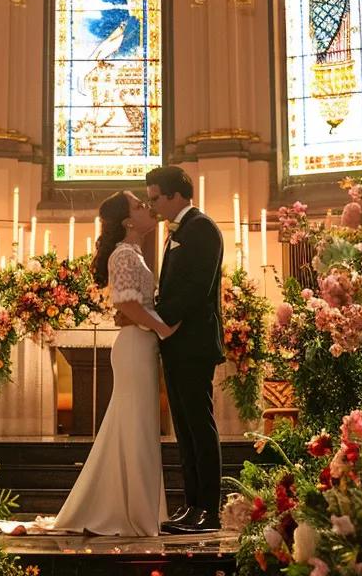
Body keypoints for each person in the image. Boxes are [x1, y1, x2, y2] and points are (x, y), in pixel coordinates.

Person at [51, 191, 174, 536]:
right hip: (135, 347)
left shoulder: (133, 253)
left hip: (140, 345)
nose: (147, 208)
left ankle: (137, 508)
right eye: (139, 206)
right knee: (135, 427)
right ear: (127, 222)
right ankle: (134, 513)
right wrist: (165, 329)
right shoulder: (124, 255)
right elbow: (128, 306)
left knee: (136, 427)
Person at [142, 165, 225, 533]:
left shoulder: (202, 228)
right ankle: (191, 505)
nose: (152, 204)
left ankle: (209, 508)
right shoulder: (177, 231)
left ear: (176, 195)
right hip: (176, 342)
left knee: (199, 427)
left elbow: (196, 290)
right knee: (184, 431)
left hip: (193, 343)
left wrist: (153, 317)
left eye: (156, 197)